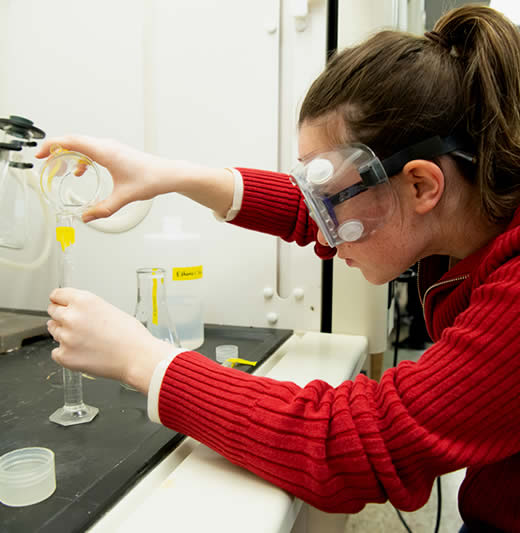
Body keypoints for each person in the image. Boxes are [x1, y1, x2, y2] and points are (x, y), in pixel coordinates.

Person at [38, 5, 520, 532]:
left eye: (328, 197)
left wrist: (143, 360)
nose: (318, 223)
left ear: (422, 185)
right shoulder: (467, 210)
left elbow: (356, 447)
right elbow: (325, 209)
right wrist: (167, 175)